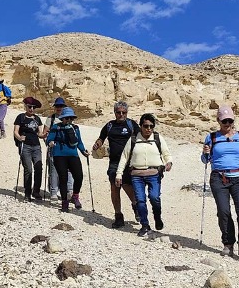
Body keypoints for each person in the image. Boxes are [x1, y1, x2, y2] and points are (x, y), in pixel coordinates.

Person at [200, 105, 239, 256]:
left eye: (230, 121)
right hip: (218, 178)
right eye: (224, 121)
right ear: (218, 121)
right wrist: (205, 153)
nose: (227, 124)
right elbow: (205, 160)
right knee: (223, 211)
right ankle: (228, 244)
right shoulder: (212, 137)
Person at [116, 113, 173, 237]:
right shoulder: (133, 139)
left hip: (154, 174)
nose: (149, 129)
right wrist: (119, 174)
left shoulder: (158, 138)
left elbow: (166, 153)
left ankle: (157, 217)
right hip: (136, 174)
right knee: (140, 200)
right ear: (141, 126)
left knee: (154, 198)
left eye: (151, 126)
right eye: (146, 126)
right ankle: (145, 225)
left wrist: (168, 162)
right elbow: (124, 158)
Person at [93, 101, 139, 229]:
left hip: (130, 163)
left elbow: (141, 139)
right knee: (114, 186)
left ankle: (135, 204)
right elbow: (101, 137)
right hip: (114, 162)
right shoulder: (109, 126)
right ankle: (118, 216)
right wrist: (97, 144)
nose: (121, 114)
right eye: (118, 112)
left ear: (127, 113)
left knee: (127, 185)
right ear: (114, 113)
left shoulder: (131, 125)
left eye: (123, 112)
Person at [45, 107, 89, 212]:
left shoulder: (76, 128)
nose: (69, 120)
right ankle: (65, 202)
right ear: (62, 118)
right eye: (67, 118)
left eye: (71, 118)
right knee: (63, 178)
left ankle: (75, 195)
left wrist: (83, 151)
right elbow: (49, 139)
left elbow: (79, 142)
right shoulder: (56, 127)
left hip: (73, 155)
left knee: (79, 176)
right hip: (59, 155)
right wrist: (50, 143)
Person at [13, 96, 45, 201]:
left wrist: (44, 135)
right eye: (29, 106)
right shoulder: (20, 117)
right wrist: (19, 138)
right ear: (26, 107)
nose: (31, 109)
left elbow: (39, 133)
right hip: (25, 146)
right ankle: (27, 193)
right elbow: (16, 131)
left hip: (36, 146)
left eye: (33, 107)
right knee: (28, 170)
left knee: (39, 168)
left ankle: (36, 191)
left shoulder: (37, 119)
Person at [46, 98, 75, 199]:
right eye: (57, 106)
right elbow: (46, 132)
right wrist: (49, 142)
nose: (59, 108)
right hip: (54, 148)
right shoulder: (51, 119)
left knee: (68, 170)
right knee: (54, 170)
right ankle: (54, 191)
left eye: (61, 106)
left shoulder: (69, 117)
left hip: (67, 149)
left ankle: (69, 191)